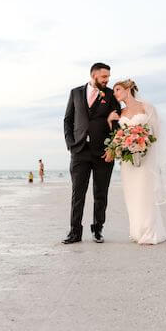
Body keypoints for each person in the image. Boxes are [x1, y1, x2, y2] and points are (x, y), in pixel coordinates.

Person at [62, 62, 121, 244]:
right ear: (94, 75)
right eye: (104, 77)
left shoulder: (111, 95)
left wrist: (113, 149)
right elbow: (68, 120)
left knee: (101, 193)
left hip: (103, 153)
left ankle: (98, 230)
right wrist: (71, 144)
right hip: (79, 151)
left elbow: (118, 123)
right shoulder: (75, 93)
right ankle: (75, 232)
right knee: (77, 193)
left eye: (108, 77)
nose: (107, 80)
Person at [107, 79, 166, 245]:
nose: (115, 94)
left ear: (128, 89)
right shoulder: (119, 112)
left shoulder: (146, 107)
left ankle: (150, 231)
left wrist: (144, 141)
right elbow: (116, 136)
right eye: (114, 91)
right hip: (128, 161)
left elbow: (156, 131)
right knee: (132, 193)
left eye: (118, 89)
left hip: (146, 156)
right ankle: (137, 231)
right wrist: (109, 121)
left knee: (145, 191)